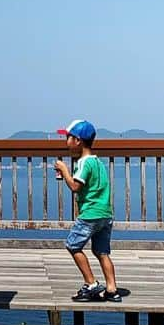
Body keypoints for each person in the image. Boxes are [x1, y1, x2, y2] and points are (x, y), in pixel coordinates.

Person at [53, 119, 122, 302]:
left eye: (68, 137)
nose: (65, 141)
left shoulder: (83, 163)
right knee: (102, 252)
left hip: (90, 214)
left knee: (73, 245)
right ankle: (112, 289)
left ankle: (91, 283)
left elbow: (75, 186)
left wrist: (64, 170)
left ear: (78, 141)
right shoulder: (98, 163)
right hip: (105, 214)